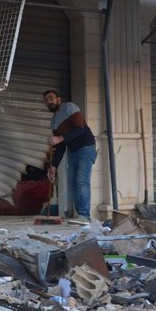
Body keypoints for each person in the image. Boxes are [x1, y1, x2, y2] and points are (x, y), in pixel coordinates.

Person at [43, 90, 97, 221]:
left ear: (59, 99)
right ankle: (81, 216)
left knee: (82, 181)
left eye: (51, 98)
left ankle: (84, 215)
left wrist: (59, 138)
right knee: (72, 183)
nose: (48, 101)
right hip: (73, 152)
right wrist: (53, 166)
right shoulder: (54, 121)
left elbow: (80, 129)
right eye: (46, 100)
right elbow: (60, 146)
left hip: (86, 147)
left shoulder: (69, 107)